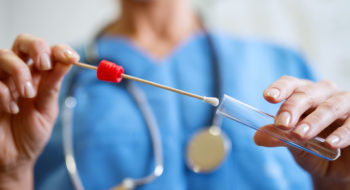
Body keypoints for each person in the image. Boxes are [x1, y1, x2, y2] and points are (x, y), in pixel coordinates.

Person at [0, 0, 349, 189]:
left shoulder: (281, 62)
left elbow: (324, 171)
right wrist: (12, 173)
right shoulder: (42, 83)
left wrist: (339, 181)